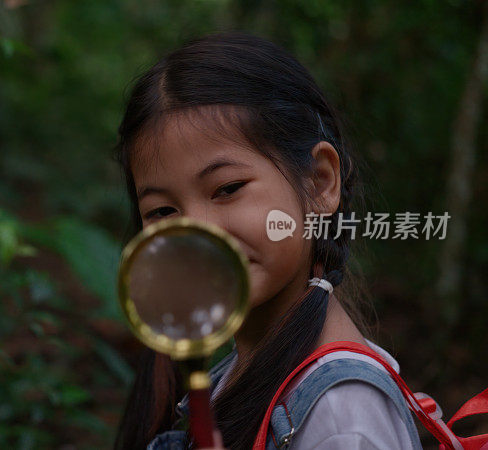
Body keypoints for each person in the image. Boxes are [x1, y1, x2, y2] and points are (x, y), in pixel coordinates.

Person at [112, 31, 424, 450]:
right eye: (163, 212)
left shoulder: (342, 416)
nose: (197, 235)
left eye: (228, 188)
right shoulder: (236, 374)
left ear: (320, 183)